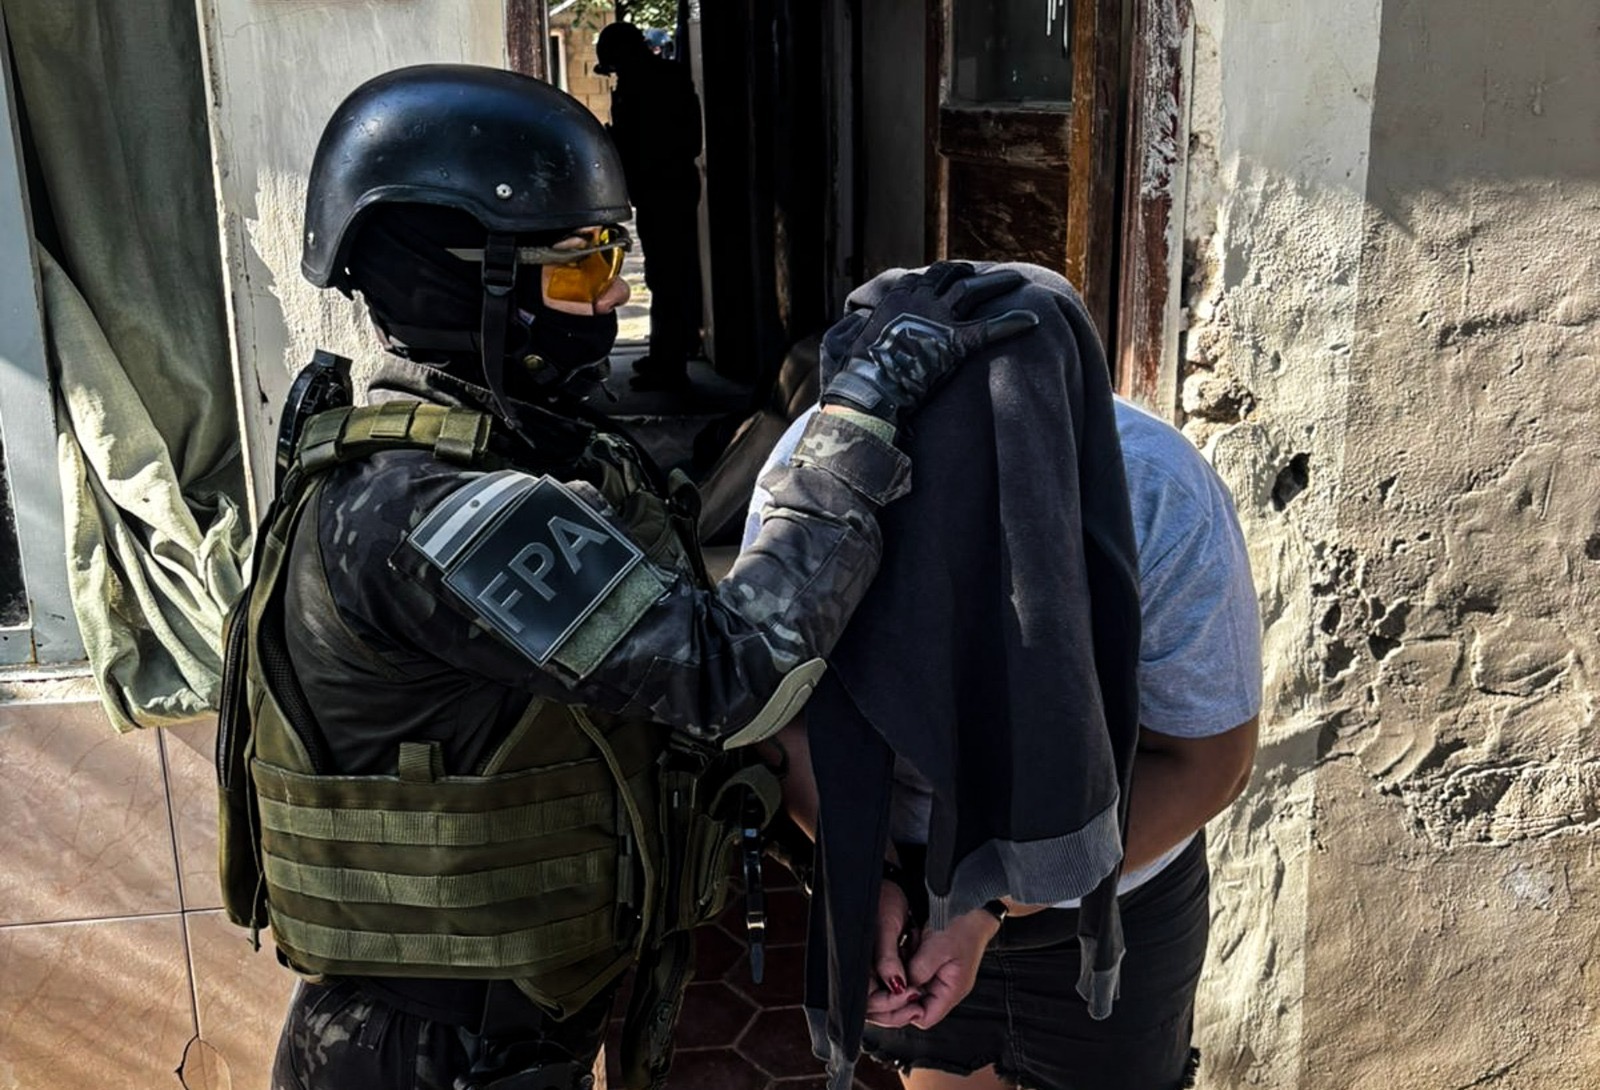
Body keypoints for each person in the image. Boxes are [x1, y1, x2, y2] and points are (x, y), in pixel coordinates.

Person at [214, 64, 1042, 1090]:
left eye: (614, 257)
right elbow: (737, 670)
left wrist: (851, 868)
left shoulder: (511, 456)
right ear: (464, 280)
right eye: (580, 268)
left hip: (505, 1039)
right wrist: (857, 419)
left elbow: (652, 728)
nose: (613, 296)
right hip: (425, 1057)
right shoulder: (423, 508)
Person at [745, 264, 1262, 1090]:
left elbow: (1207, 763)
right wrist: (874, 876)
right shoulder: (817, 473)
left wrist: (985, 901)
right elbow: (782, 713)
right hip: (902, 880)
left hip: (1111, 887)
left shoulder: (1157, 494)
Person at [594, 21, 704, 391]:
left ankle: (670, 364)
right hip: (663, 189)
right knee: (664, 277)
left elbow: (672, 140)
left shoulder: (654, 84)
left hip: (666, 190)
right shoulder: (661, 79)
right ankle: (665, 355)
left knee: (668, 278)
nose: (615, 74)